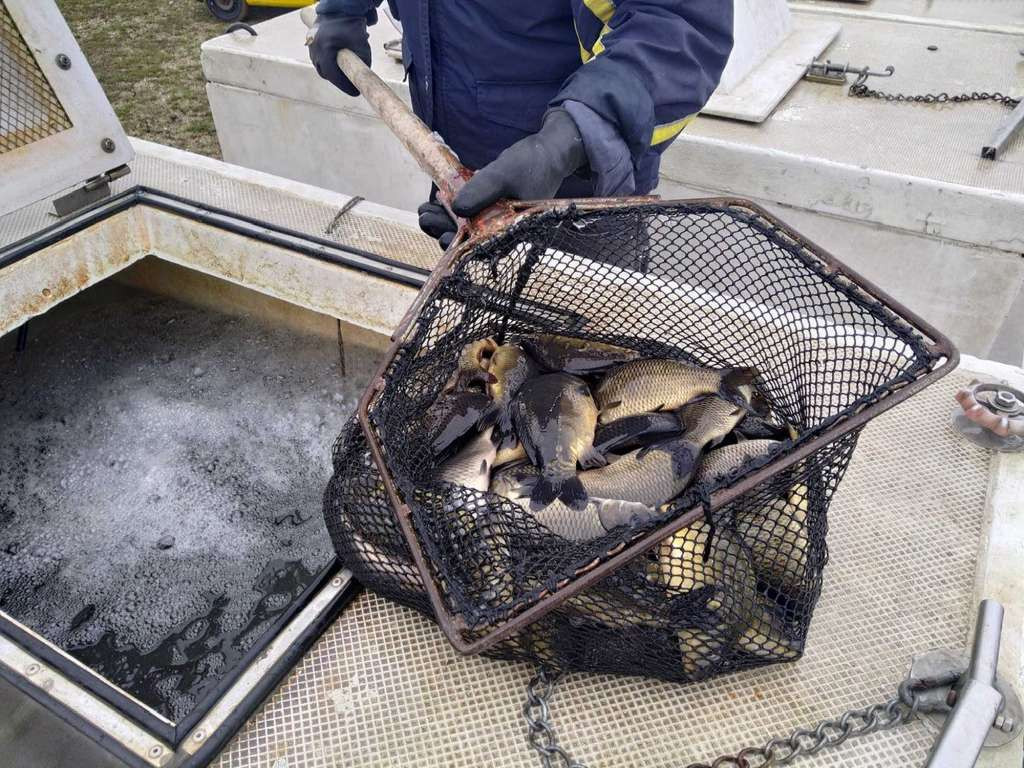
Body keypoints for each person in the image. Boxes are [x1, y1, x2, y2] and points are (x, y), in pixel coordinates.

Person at [308, 1, 733, 248]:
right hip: (462, 187)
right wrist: (343, 8)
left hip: (578, 204)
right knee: (484, 375)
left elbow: (677, 21)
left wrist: (565, 143)